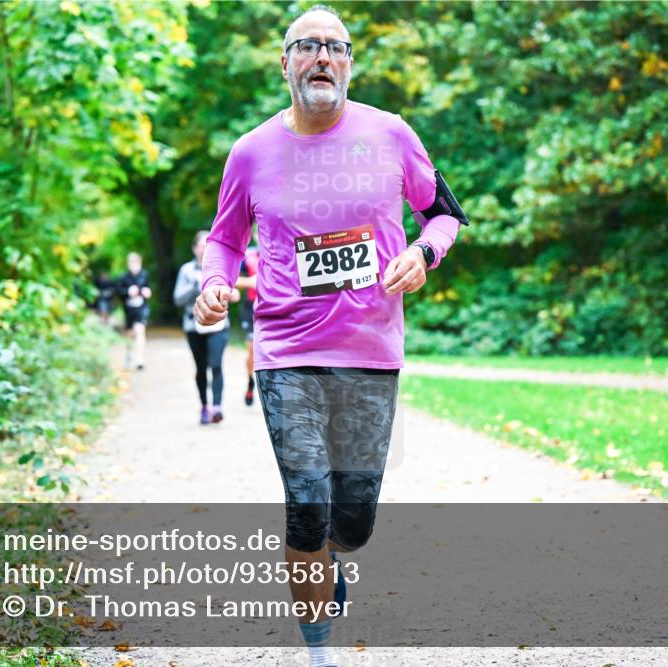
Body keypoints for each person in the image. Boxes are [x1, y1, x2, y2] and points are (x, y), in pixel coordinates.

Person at [193, 5, 465, 666]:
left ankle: (332, 557)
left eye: (335, 47)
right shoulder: (251, 151)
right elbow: (225, 241)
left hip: (371, 352)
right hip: (287, 353)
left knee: (352, 522)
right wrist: (212, 284)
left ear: (350, 62)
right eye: (306, 46)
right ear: (283, 62)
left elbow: (444, 217)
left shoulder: (392, 134)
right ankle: (319, 653)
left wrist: (424, 256)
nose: (322, 58)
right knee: (307, 505)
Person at [174, 230, 240, 425]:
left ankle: (217, 407)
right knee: (201, 368)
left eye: (208, 245)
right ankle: (204, 406)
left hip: (219, 324)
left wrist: (231, 294)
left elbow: (233, 290)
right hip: (194, 325)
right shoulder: (187, 270)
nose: (204, 250)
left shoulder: (223, 267)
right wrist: (196, 285)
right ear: (194, 249)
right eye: (201, 246)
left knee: (216, 364)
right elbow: (177, 298)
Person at [234, 237, 259, 406]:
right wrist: (251, 282)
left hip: (273, 308)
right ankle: (250, 381)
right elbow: (233, 279)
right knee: (252, 349)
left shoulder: (281, 251)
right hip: (250, 307)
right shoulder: (248, 256)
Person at [116, 252, 151, 370]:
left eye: (136, 262)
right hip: (129, 310)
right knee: (130, 334)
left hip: (141, 308)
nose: (134, 265)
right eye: (132, 262)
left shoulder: (144, 275)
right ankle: (129, 355)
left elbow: (147, 289)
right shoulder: (123, 277)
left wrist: (146, 292)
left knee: (140, 331)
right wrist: (128, 292)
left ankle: (140, 359)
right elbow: (119, 293)